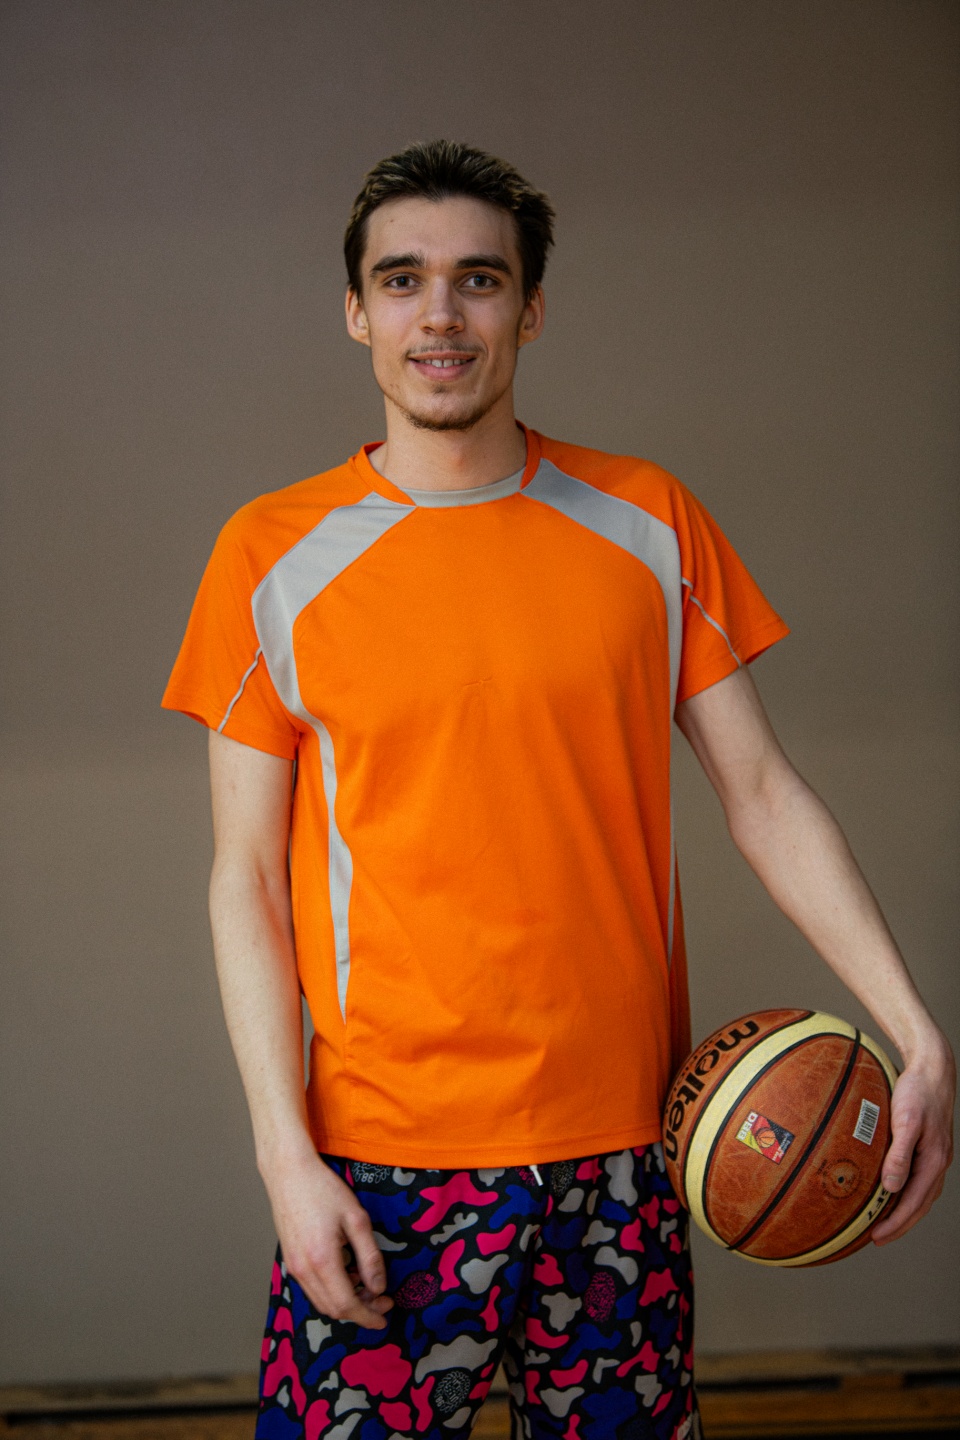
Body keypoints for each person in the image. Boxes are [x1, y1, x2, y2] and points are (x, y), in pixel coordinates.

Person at [162, 141, 954, 1440]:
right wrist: (282, 1155)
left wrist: (916, 1033)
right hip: (384, 1160)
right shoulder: (270, 555)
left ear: (529, 309)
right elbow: (243, 877)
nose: (440, 314)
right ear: (356, 310)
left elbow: (763, 793)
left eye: (479, 279)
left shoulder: (648, 520)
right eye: (402, 279)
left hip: (631, 1149)